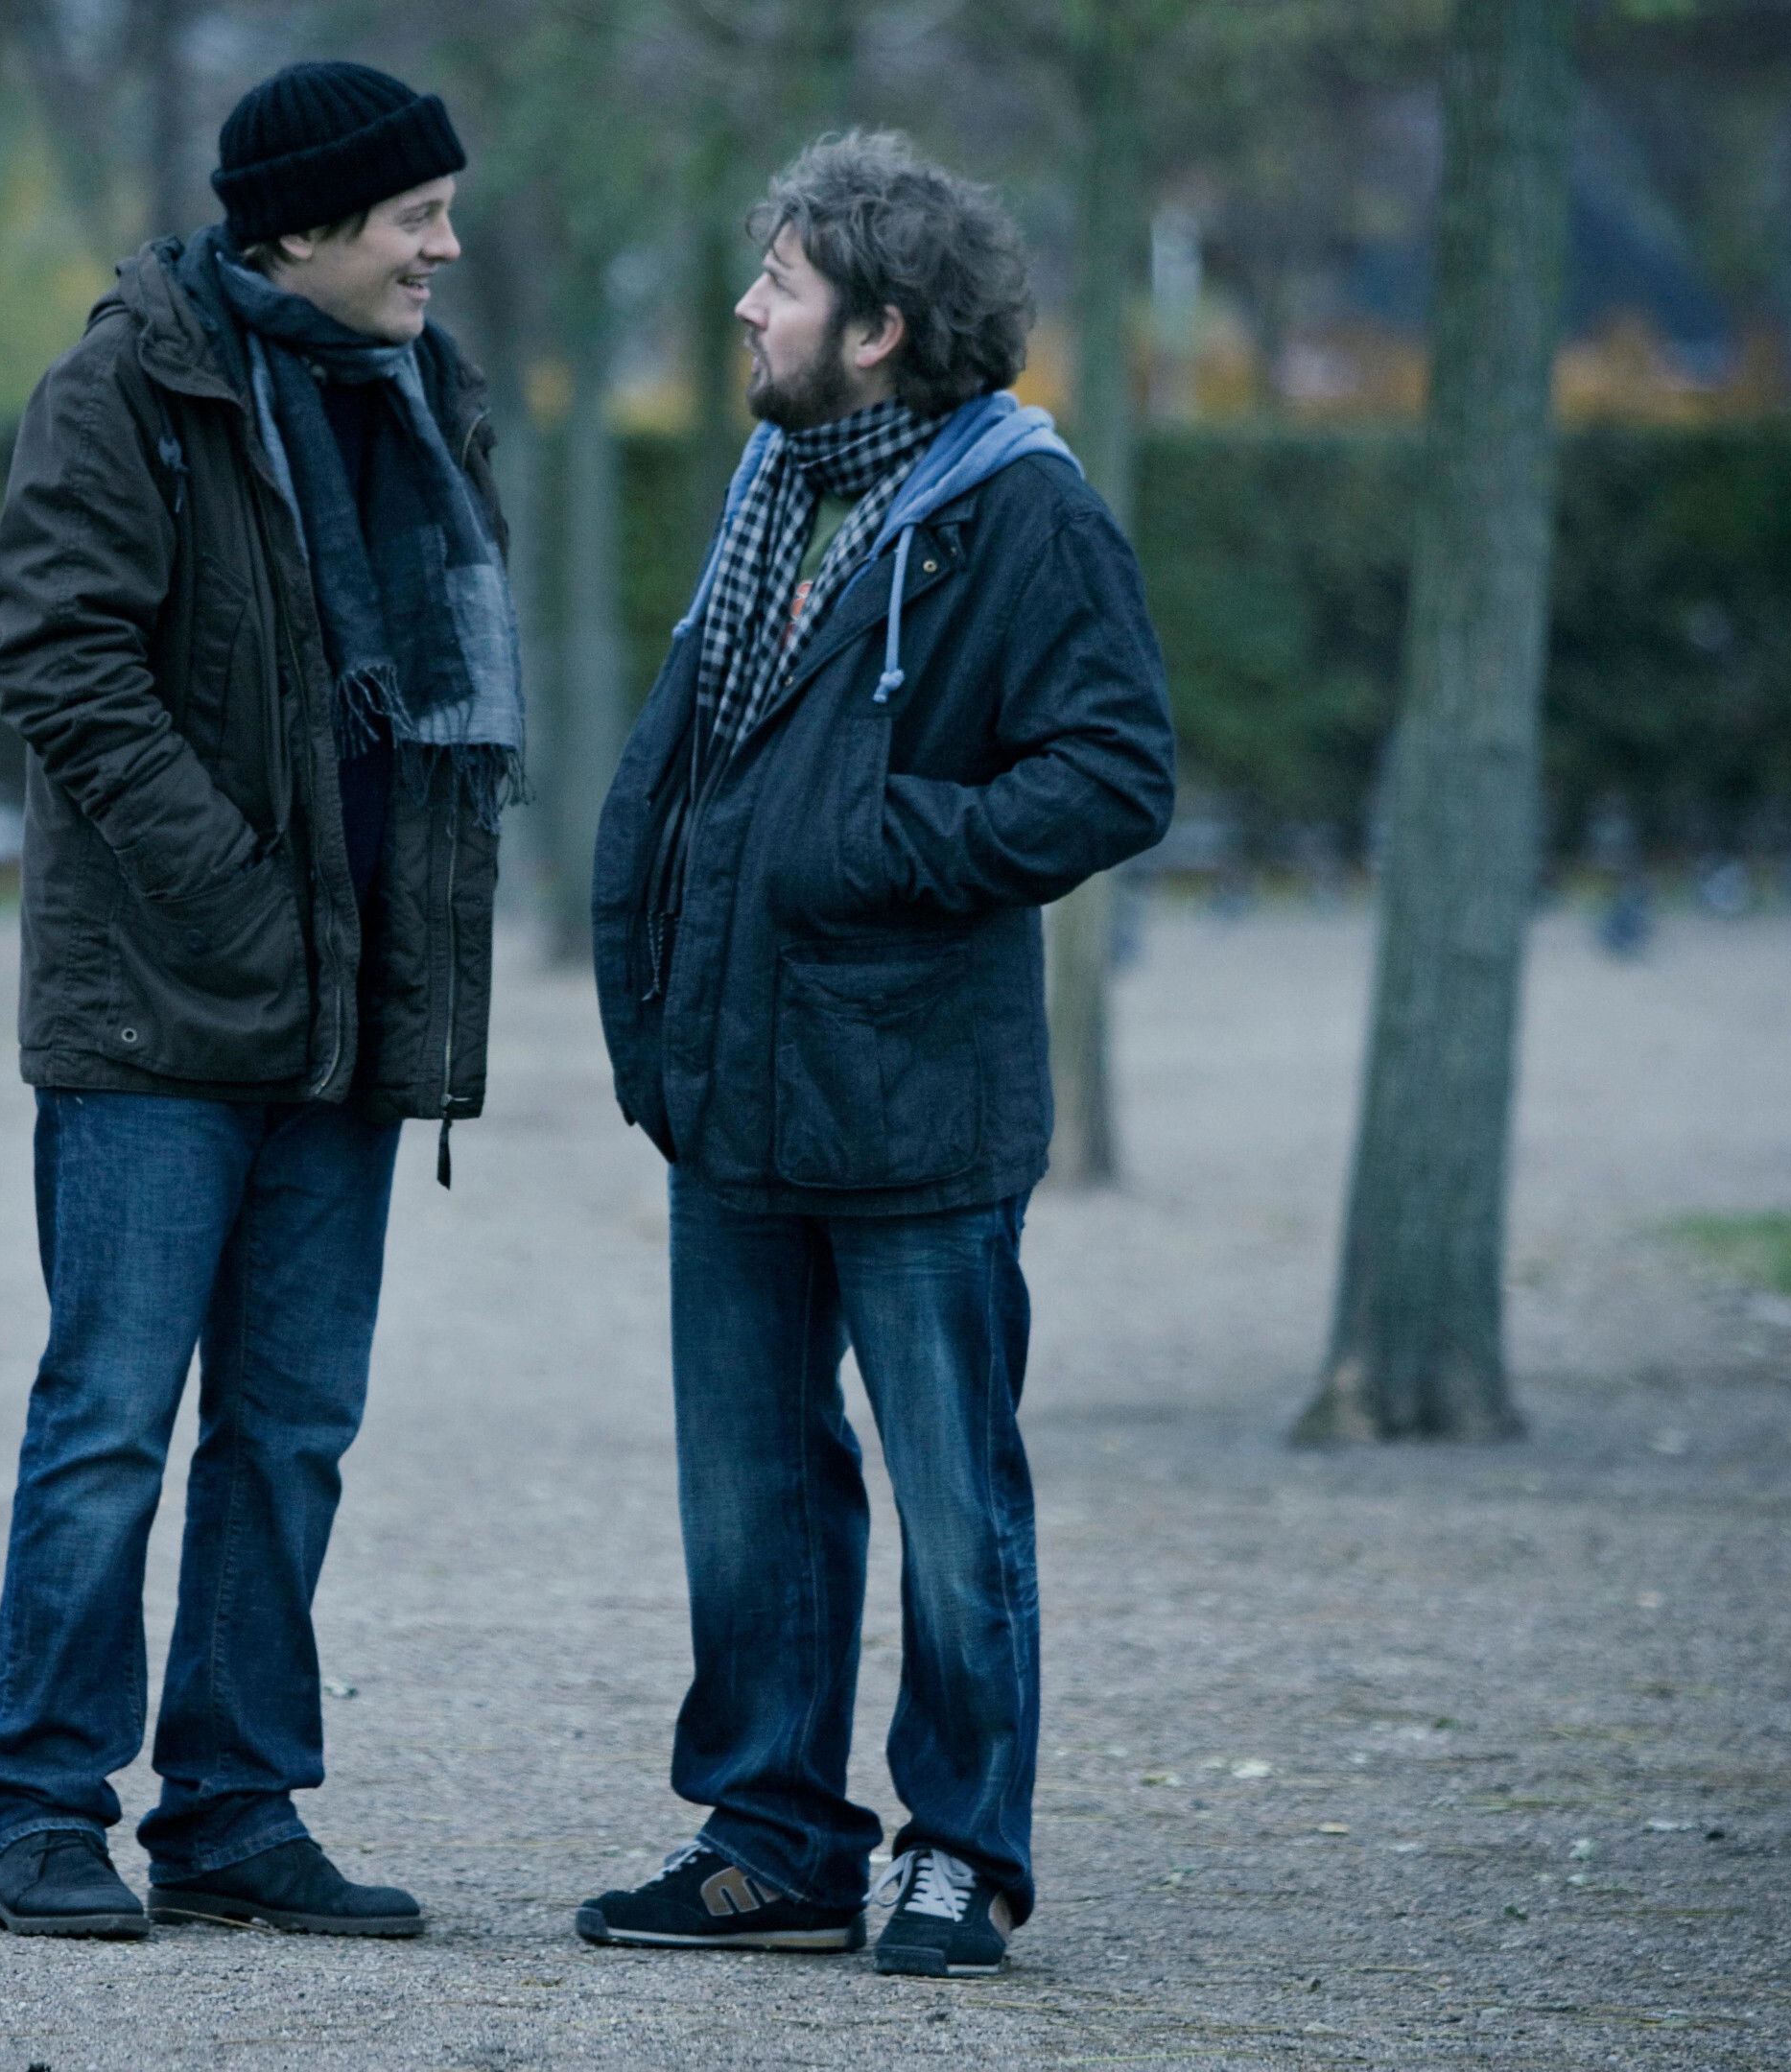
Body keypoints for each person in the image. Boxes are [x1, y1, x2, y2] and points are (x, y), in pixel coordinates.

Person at [578, 132, 1174, 1979]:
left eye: (780, 282)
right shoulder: (773, 484)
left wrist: (887, 839)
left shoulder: (1025, 510)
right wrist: (650, 999)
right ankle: (771, 1841)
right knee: (751, 1497)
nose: (744, 306)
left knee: (952, 1496)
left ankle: (962, 1851)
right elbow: (698, 769)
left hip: (917, 1096)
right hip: (735, 1088)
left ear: (878, 328)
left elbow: (1115, 774)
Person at [0, 59, 517, 1942]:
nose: (446, 247)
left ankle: (232, 1810)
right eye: (416, 216)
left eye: (445, 212)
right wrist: (234, 895)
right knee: (110, 1420)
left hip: (350, 1013)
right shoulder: (128, 384)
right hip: (161, 1009)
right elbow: (60, 653)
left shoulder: (423, 394)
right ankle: (42, 1804)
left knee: (292, 1433)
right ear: (302, 229)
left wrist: (377, 949)